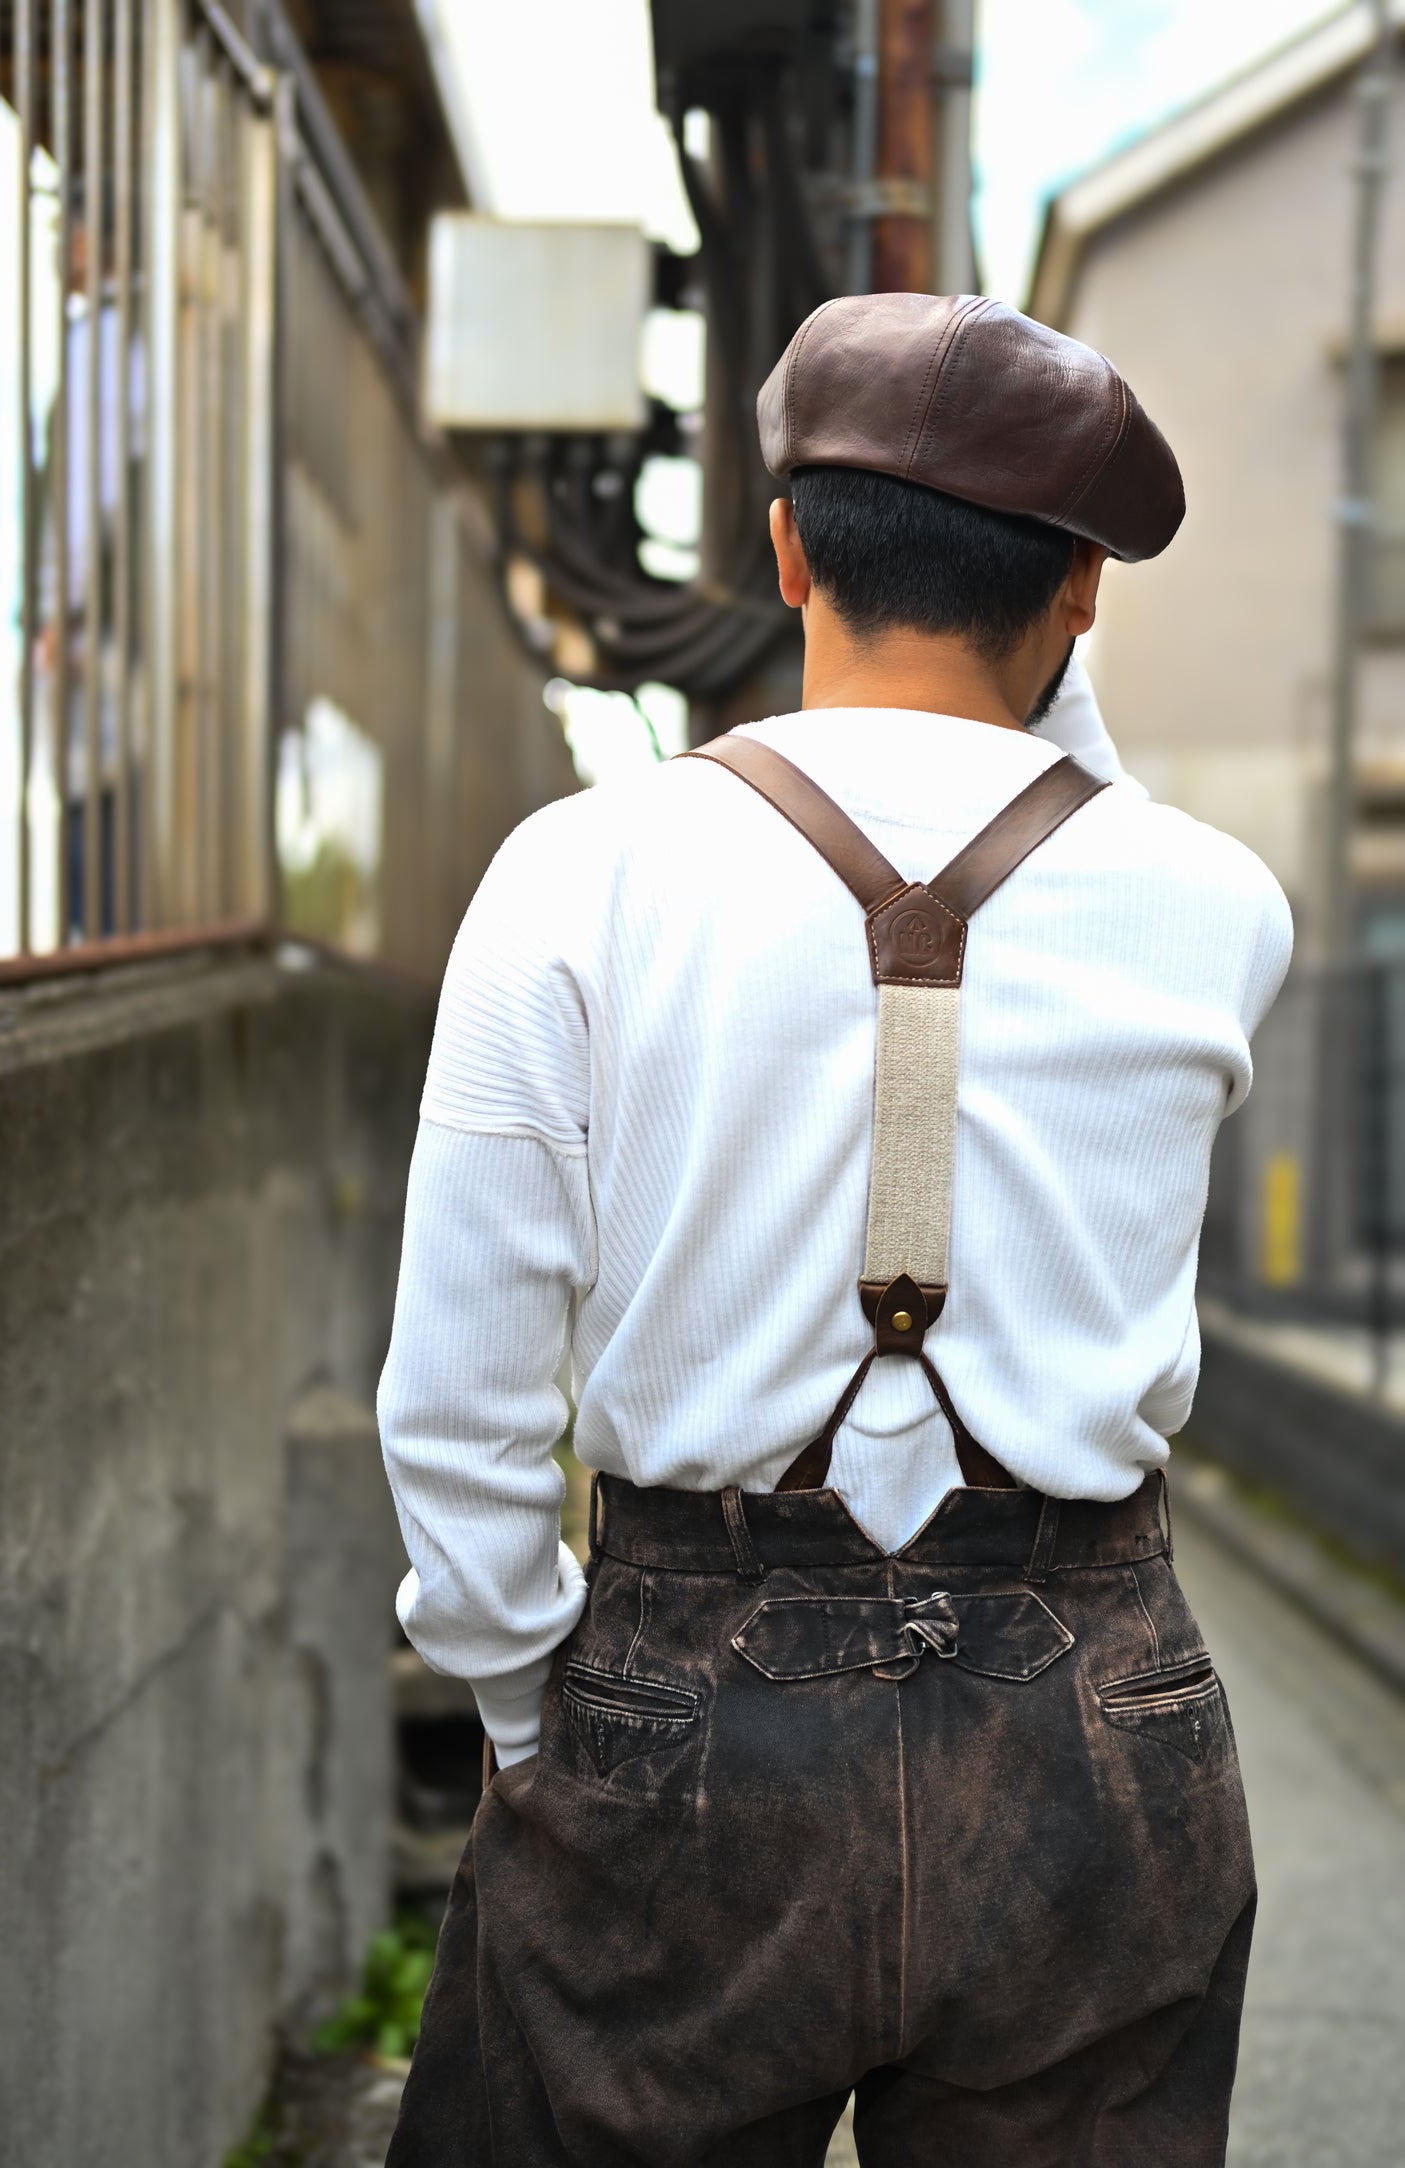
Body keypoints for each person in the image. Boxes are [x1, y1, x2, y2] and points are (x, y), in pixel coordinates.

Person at [378, 292, 1293, 2166]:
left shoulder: (578, 869)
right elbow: (1079, 805)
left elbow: (462, 1397)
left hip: (677, 1710)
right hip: (1089, 1726)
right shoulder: (1216, 903)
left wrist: (527, 1710)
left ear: (784, 545)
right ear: (1084, 594)